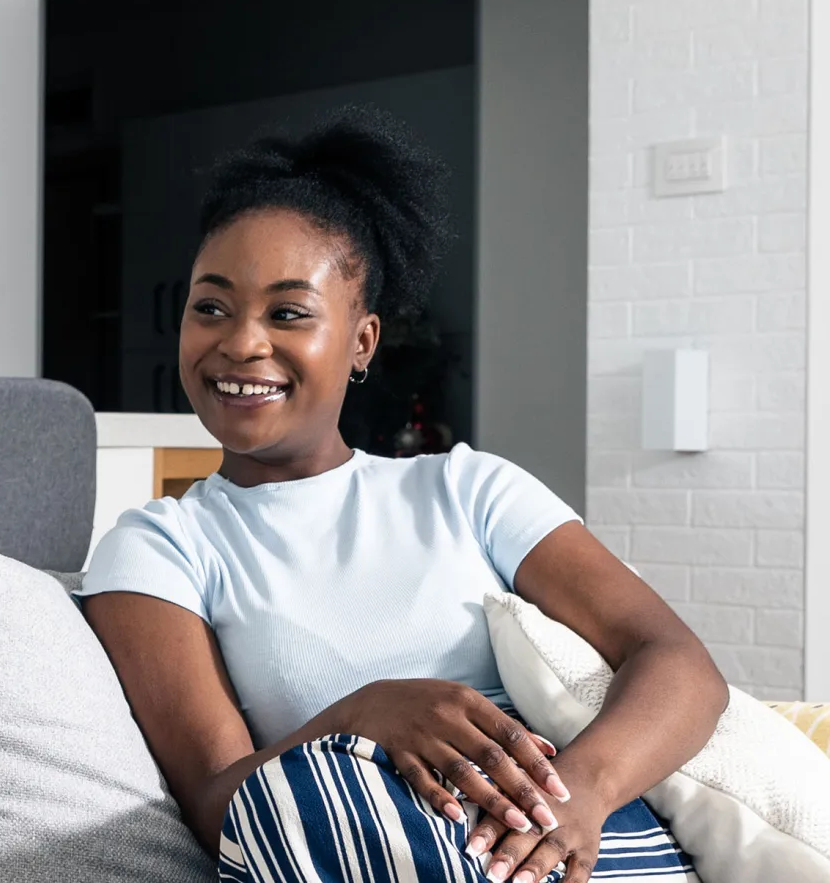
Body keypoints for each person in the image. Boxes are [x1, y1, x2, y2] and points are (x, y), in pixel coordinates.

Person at [78, 112, 727, 883]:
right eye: (210, 306)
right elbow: (221, 807)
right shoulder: (158, 546)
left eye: (288, 312)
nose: (241, 342)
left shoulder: (466, 487)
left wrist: (585, 790)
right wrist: (361, 717)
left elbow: (681, 664)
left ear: (361, 342)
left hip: (569, 836)